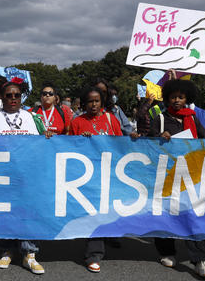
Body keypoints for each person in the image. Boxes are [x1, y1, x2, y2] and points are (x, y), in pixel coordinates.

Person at [147, 79, 205, 278]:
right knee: (166, 214)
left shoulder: (193, 118)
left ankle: (199, 260)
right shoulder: (160, 118)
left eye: (181, 97)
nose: (177, 100)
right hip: (167, 176)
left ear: (187, 99)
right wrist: (160, 135)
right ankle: (166, 251)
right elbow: (148, 141)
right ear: (168, 98)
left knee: (194, 216)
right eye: (173, 97)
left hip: (191, 176)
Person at [0, 79, 45, 275]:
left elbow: (41, 143)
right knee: (4, 213)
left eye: (17, 95)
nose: (13, 98)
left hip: (25, 175)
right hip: (1, 176)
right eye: (9, 95)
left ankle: (29, 253)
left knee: (26, 213)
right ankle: (6, 250)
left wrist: (46, 138)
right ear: (1, 97)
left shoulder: (31, 117)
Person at [69, 87, 123, 273]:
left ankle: (108, 238)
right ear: (84, 103)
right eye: (90, 101)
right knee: (95, 213)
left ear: (102, 102)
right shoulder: (77, 122)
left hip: (109, 173)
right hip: (88, 176)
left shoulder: (111, 119)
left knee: (107, 211)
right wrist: (82, 142)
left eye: (97, 101)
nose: (94, 105)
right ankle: (94, 255)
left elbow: (120, 144)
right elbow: (69, 148)